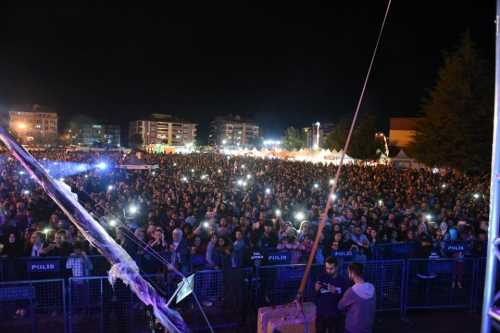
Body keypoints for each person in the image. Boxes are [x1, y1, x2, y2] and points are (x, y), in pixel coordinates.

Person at [338, 263, 376, 333]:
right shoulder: (372, 287)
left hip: (353, 328)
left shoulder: (351, 291)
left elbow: (340, 306)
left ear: (352, 273)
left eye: (348, 272)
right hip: (367, 327)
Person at [315, 257, 349, 333]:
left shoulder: (343, 281)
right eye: (327, 268)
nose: (328, 271)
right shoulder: (322, 277)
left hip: (335, 315)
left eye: (331, 268)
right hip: (321, 314)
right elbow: (316, 295)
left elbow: (346, 298)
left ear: (337, 267)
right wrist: (316, 290)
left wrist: (336, 291)